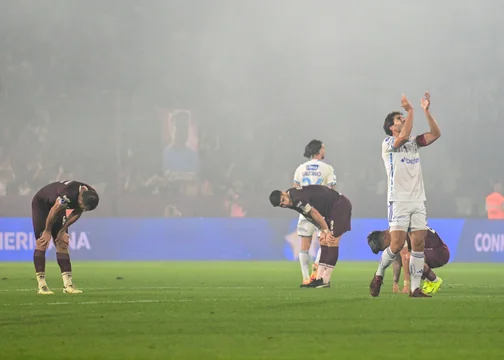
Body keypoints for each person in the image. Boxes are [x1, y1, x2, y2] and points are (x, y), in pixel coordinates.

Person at [370, 92, 441, 298]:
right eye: (399, 119)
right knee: (397, 244)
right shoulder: (388, 144)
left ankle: (415, 289)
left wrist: (426, 112)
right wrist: (410, 110)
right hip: (398, 200)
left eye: (403, 117)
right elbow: (403, 136)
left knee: (418, 243)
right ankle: (379, 273)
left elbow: (435, 133)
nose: (403, 120)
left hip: (418, 200)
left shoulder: (414, 142)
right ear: (392, 127)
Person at [269, 185, 352, 288]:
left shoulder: (298, 198)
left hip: (340, 206)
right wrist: (322, 230)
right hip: (330, 210)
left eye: (283, 200)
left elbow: (314, 212)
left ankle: (325, 280)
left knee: (332, 240)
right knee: (323, 241)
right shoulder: (291, 198)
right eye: (282, 205)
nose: (285, 204)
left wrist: (326, 230)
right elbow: (309, 216)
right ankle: (318, 279)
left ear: (284, 193)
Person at [32, 180, 99, 295]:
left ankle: (68, 285)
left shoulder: (91, 195)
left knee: (62, 242)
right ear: (81, 198)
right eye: (82, 204)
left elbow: (77, 212)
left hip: (59, 207)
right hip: (43, 205)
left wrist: (62, 230)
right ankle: (41, 285)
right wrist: (47, 231)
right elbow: (54, 210)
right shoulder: (68, 194)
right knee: (42, 241)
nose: (82, 207)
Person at [292, 140, 337, 286]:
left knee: (304, 245)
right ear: (318, 150)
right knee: (323, 243)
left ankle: (305, 279)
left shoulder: (300, 168)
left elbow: (295, 189)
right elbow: (332, 190)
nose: (325, 150)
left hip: (305, 211)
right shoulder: (327, 168)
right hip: (322, 211)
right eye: (323, 148)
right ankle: (315, 274)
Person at [367, 227, 450, 294]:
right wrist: (395, 283)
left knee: (409, 258)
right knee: (403, 258)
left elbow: (405, 257)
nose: (387, 249)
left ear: (385, 238)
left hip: (439, 252)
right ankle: (428, 281)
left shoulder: (398, 232)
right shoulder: (395, 231)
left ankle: (435, 281)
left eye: (385, 247)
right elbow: (396, 260)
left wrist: (406, 285)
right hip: (430, 251)